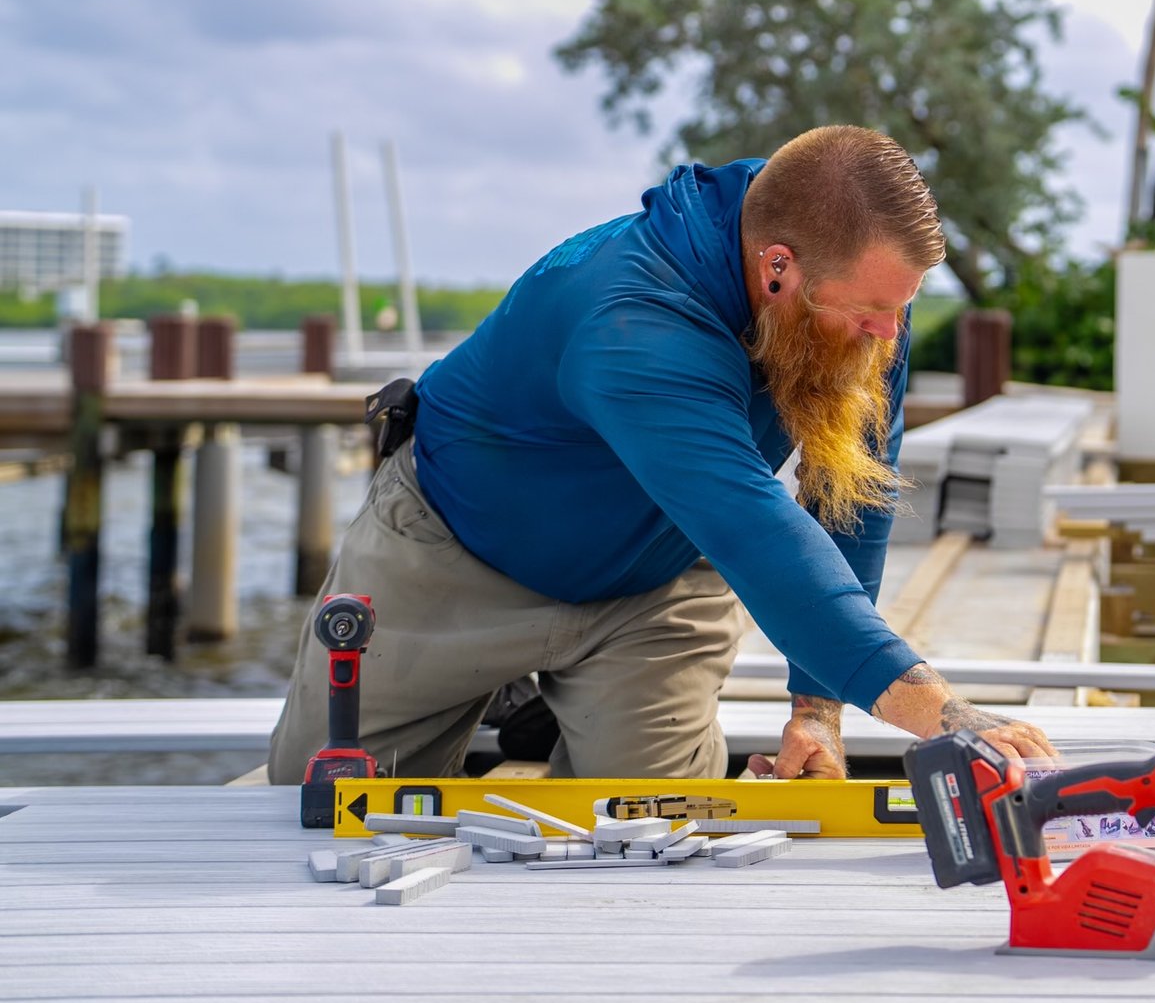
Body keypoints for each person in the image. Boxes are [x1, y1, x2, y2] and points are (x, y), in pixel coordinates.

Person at [269, 126, 1052, 784]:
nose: (889, 332)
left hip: (654, 578)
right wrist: (941, 714)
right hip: (458, 554)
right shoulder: (633, 319)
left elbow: (853, 494)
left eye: (900, 308)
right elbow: (756, 529)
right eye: (872, 312)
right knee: (309, 806)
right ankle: (507, 687)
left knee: (658, 842)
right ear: (778, 266)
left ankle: (573, 702)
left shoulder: (864, 290)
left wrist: (817, 711)